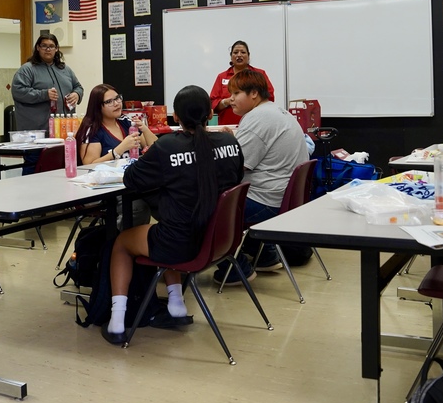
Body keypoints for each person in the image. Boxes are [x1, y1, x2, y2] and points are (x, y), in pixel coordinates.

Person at [102, 85, 244, 344]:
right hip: (220, 242)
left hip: (181, 244)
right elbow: (235, 177)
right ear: (211, 112)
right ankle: (175, 304)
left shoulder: (166, 147)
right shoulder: (230, 141)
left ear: (175, 117)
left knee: (122, 243)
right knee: (168, 222)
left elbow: (131, 179)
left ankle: (116, 321)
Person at [212, 69, 309, 286]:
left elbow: (237, 167)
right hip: (284, 198)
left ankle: (236, 270)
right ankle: (265, 256)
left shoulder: (257, 118)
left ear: (254, 93)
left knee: (205, 207)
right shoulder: (275, 111)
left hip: (267, 201)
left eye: (236, 94)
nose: (230, 99)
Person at [11, 34, 83, 175]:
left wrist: (77, 94)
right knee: (35, 166)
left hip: (62, 131)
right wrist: (44, 94)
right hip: (37, 133)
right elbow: (18, 91)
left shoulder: (65, 69)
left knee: (59, 167)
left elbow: (78, 86)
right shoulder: (27, 69)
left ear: (57, 49)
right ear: (38, 48)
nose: (47, 49)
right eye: (44, 46)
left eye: (51, 46)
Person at [77, 84, 156, 165]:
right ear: (98, 107)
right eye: (109, 102)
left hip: (133, 174)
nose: (116, 104)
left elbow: (158, 149)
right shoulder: (92, 130)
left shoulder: (126, 122)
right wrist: (118, 151)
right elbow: (89, 165)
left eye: (117, 98)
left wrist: (145, 129)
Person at [209, 41, 275, 126]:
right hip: (228, 127)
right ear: (231, 56)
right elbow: (212, 103)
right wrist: (226, 102)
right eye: (235, 52)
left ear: (248, 56)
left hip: (256, 124)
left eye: (243, 52)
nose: (239, 55)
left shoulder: (260, 74)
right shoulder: (222, 76)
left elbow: (269, 97)